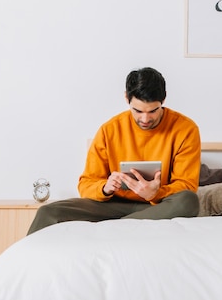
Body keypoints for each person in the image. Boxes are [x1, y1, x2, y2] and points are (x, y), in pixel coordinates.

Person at [28, 67, 201, 234]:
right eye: (138, 111)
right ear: (127, 98)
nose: (145, 118)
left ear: (163, 100)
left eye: (153, 111)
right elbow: (86, 183)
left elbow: (187, 185)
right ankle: (127, 226)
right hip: (112, 205)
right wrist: (105, 188)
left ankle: (116, 228)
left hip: (158, 206)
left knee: (189, 201)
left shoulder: (185, 129)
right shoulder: (110, 129)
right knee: (48, 212)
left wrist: (155, 193)